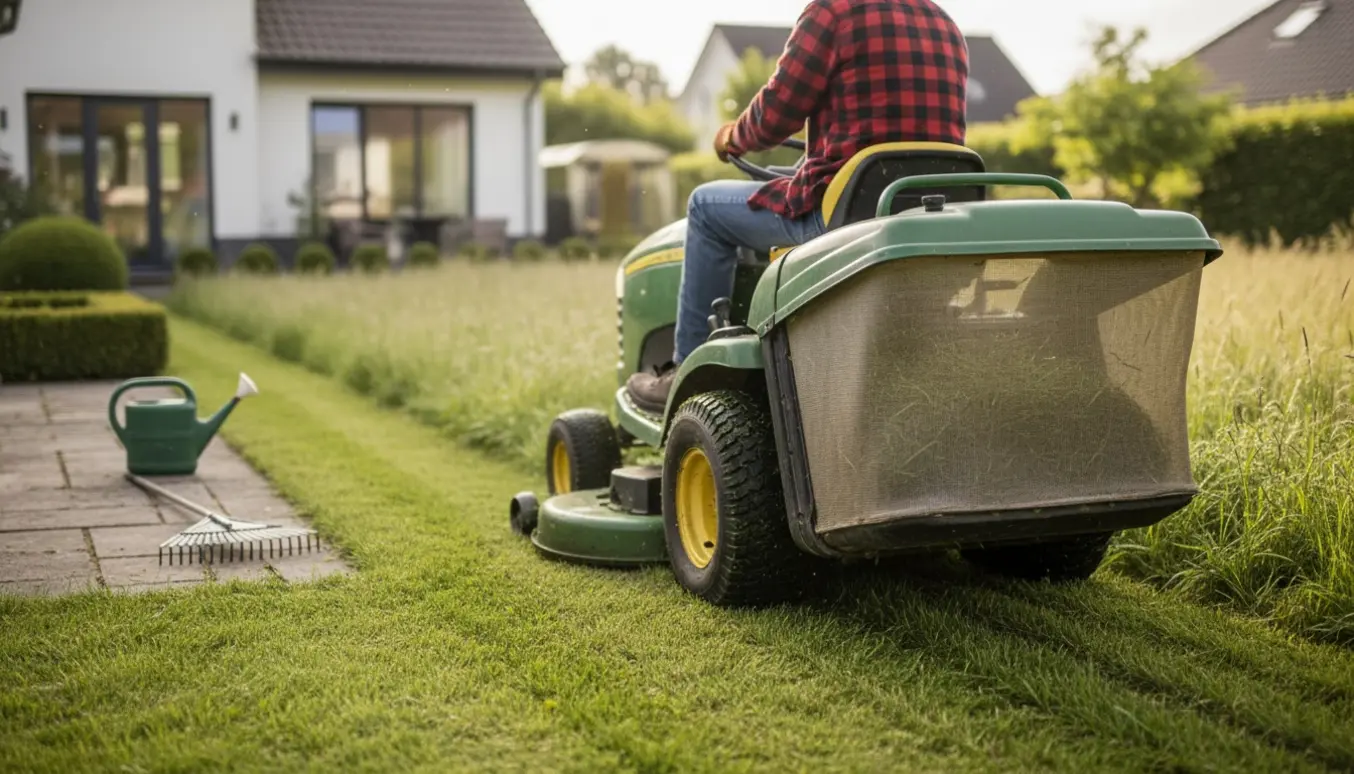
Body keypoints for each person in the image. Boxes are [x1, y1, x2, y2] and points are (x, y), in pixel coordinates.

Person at [625, 0, 971, 413]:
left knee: (704, 206)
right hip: (926, 217)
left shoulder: (834, 12)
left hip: (846, 220)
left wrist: (732, 136)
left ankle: (683, 369)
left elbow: (776, 112)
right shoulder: (943, 23)